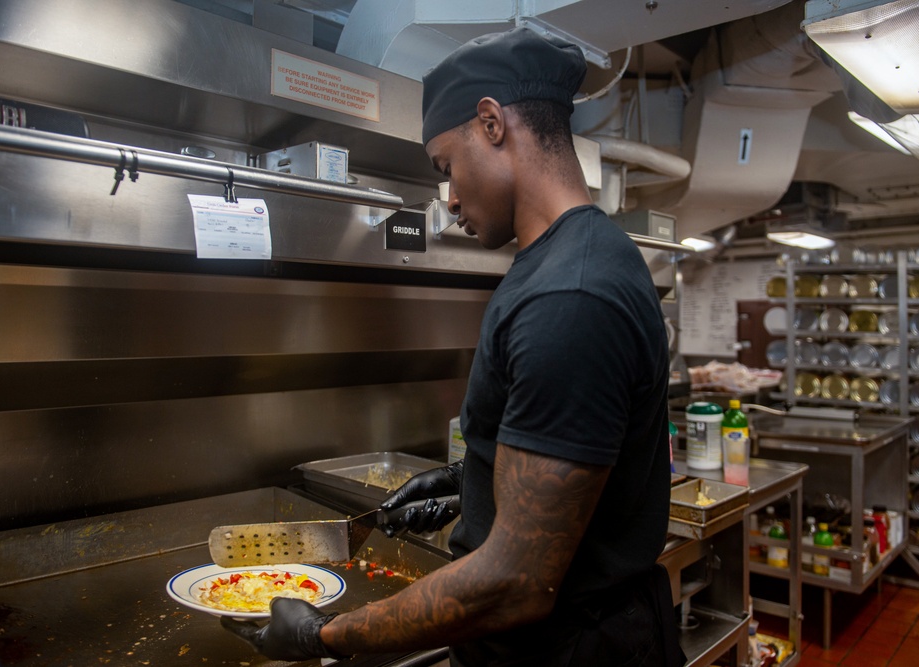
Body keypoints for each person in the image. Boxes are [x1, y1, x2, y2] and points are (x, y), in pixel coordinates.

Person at [222, 26, 681, 666]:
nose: (452, 198)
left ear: (492, 123)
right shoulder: (579, 260)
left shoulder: (569, 299)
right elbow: (573, 450)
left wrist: (322, 635)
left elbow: (514, 585)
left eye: (446, 167)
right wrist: (472, 483)